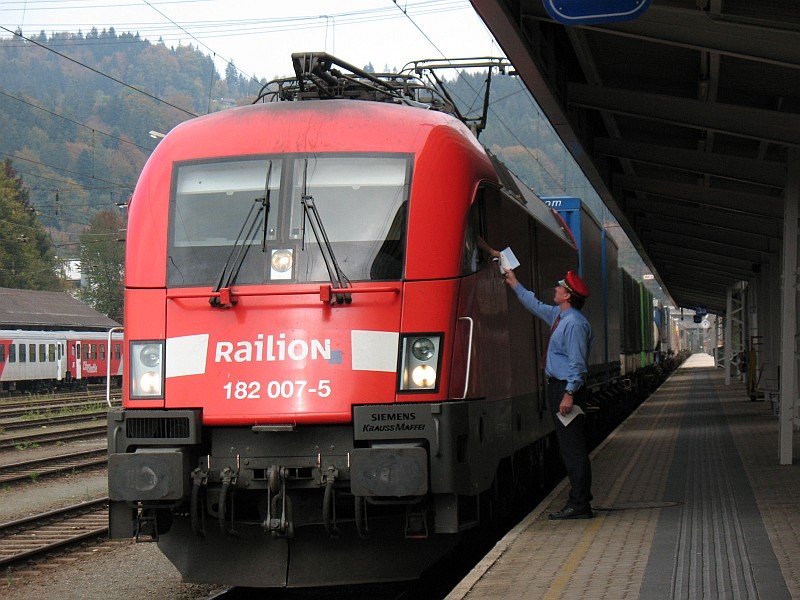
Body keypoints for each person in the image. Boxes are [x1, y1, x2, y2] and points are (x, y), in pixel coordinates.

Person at [504, 265, 594, 520]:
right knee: (570, 447)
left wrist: (568, 394)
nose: (555, 289)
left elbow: (577, 364)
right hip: (559, 387)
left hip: (567, 389)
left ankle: (580, 504)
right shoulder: (559, 316)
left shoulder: (573, 324)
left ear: (567, 296)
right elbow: (534, 305)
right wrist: (514, 283)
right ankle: (580, 501)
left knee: (573, 449)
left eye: (560, 287)